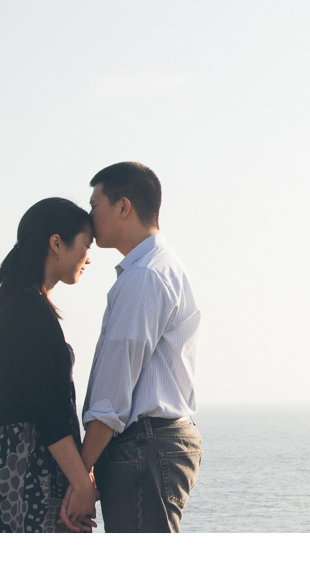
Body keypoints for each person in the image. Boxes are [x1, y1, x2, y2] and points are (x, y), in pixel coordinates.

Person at [69, 161, 202, 533]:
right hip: (155, 443)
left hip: (144, 446)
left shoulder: (144, 276)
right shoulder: (161, 266)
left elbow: (113, 394)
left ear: (123, 207)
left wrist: (80, 475)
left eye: (95, 205)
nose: (90, 217)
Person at [0, 197, 100, 533]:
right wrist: (82, 484)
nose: (88, 257)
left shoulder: (22, 304)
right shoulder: (27, 308)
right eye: (86, 244)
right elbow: (47, 410)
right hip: (24, 469)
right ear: (56, 243)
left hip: (19, 463)